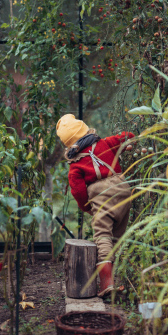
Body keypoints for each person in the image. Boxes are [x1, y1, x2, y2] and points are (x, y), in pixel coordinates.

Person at [56, 114, 134, 297]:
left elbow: (78, 192)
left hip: (102, 198)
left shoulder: (75, 167)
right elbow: (126, 136)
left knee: (103, 236)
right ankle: (122, 277)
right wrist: (129, 144)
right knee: (117, 236)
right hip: (123, 191)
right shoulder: (106, 143)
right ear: (85, 130)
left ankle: (107, 283)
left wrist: (88, 208)